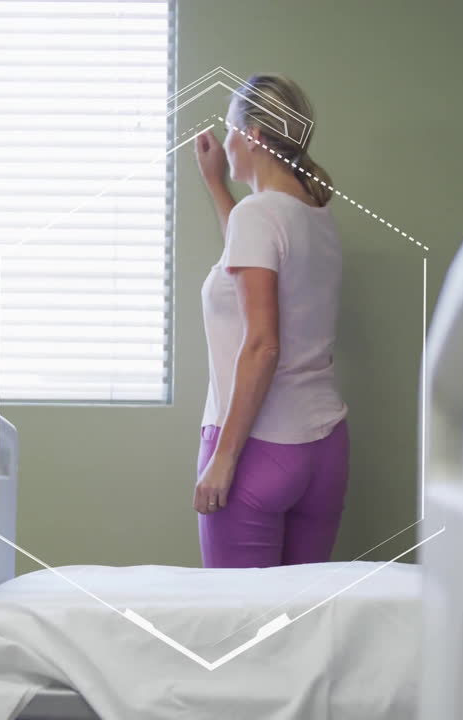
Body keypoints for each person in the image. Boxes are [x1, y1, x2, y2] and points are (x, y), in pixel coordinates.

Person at [192, 73, 349, 568]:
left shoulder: (259, 216)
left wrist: (224, 460)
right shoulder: (316, 216)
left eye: (232, 129)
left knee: (242, 634)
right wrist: (216, 182)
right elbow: (246, 253)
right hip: (323, 450)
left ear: (256, 135)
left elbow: (263, 345)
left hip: (258, 450)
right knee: (299, 628)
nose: (229, 140)